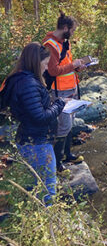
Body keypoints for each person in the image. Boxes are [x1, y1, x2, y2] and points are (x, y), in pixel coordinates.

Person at [0, 43, 67, 205]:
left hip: (31, 140)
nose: (46, 68)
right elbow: (40, 117)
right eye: (45, 64)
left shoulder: (22, 79)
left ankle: (37, 223)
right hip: (37, 143)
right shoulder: (28, 83)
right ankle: (49, 225)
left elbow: (34, 110)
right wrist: (59, 104)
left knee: (36, 187)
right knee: (48, 189)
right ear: (36, 62)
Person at [42, 13, 88, 172]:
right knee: (64, 125)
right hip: (59, 91)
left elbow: (65, 65)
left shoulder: (63, 42)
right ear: (65, 28)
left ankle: (68, 154)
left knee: (70, 123)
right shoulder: (50, 45)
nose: (73, 33)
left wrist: (77, 66)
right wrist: (72, 65)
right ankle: (57, 163)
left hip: (71, 89)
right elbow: (53, 71)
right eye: (73, 30)